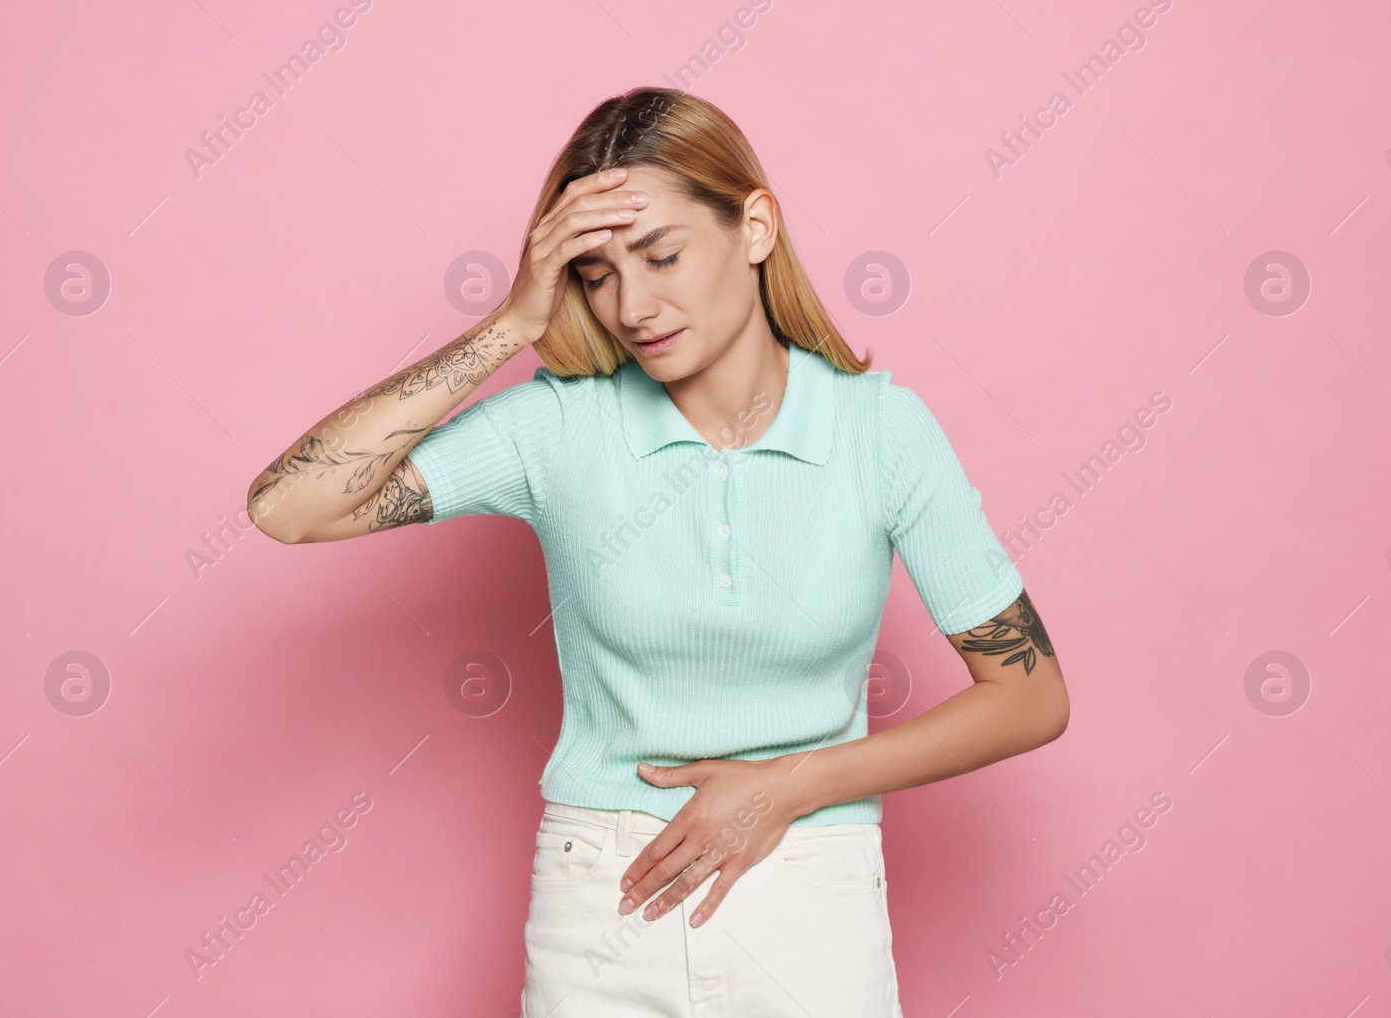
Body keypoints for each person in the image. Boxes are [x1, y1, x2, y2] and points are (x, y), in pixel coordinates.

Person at [246, 86, 1069, 1017]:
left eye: (661, 254)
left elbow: (1031, 696)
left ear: (754, 226)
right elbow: (290, 506)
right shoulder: (559, 429)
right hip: (602, 897)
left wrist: (786, 786)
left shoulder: (879, 429)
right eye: (596, 273)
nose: (632, 303)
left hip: (812, 894)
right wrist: (512, 324)